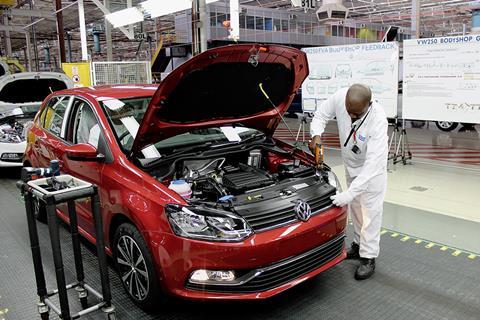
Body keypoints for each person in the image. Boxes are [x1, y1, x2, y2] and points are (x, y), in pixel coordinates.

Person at [309, 84, 388, 280]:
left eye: (356, 114)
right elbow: (320, 115)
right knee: (355, 209)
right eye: (349, 112)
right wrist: (316, 134)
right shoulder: (339, 97)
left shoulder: (378, 119)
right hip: (351, 164)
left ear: (368, 105)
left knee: (370, 212)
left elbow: (372, 164)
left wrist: (349, 193)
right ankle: (358, 245)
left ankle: (369, 257)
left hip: (372, 172)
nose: (351, 117)